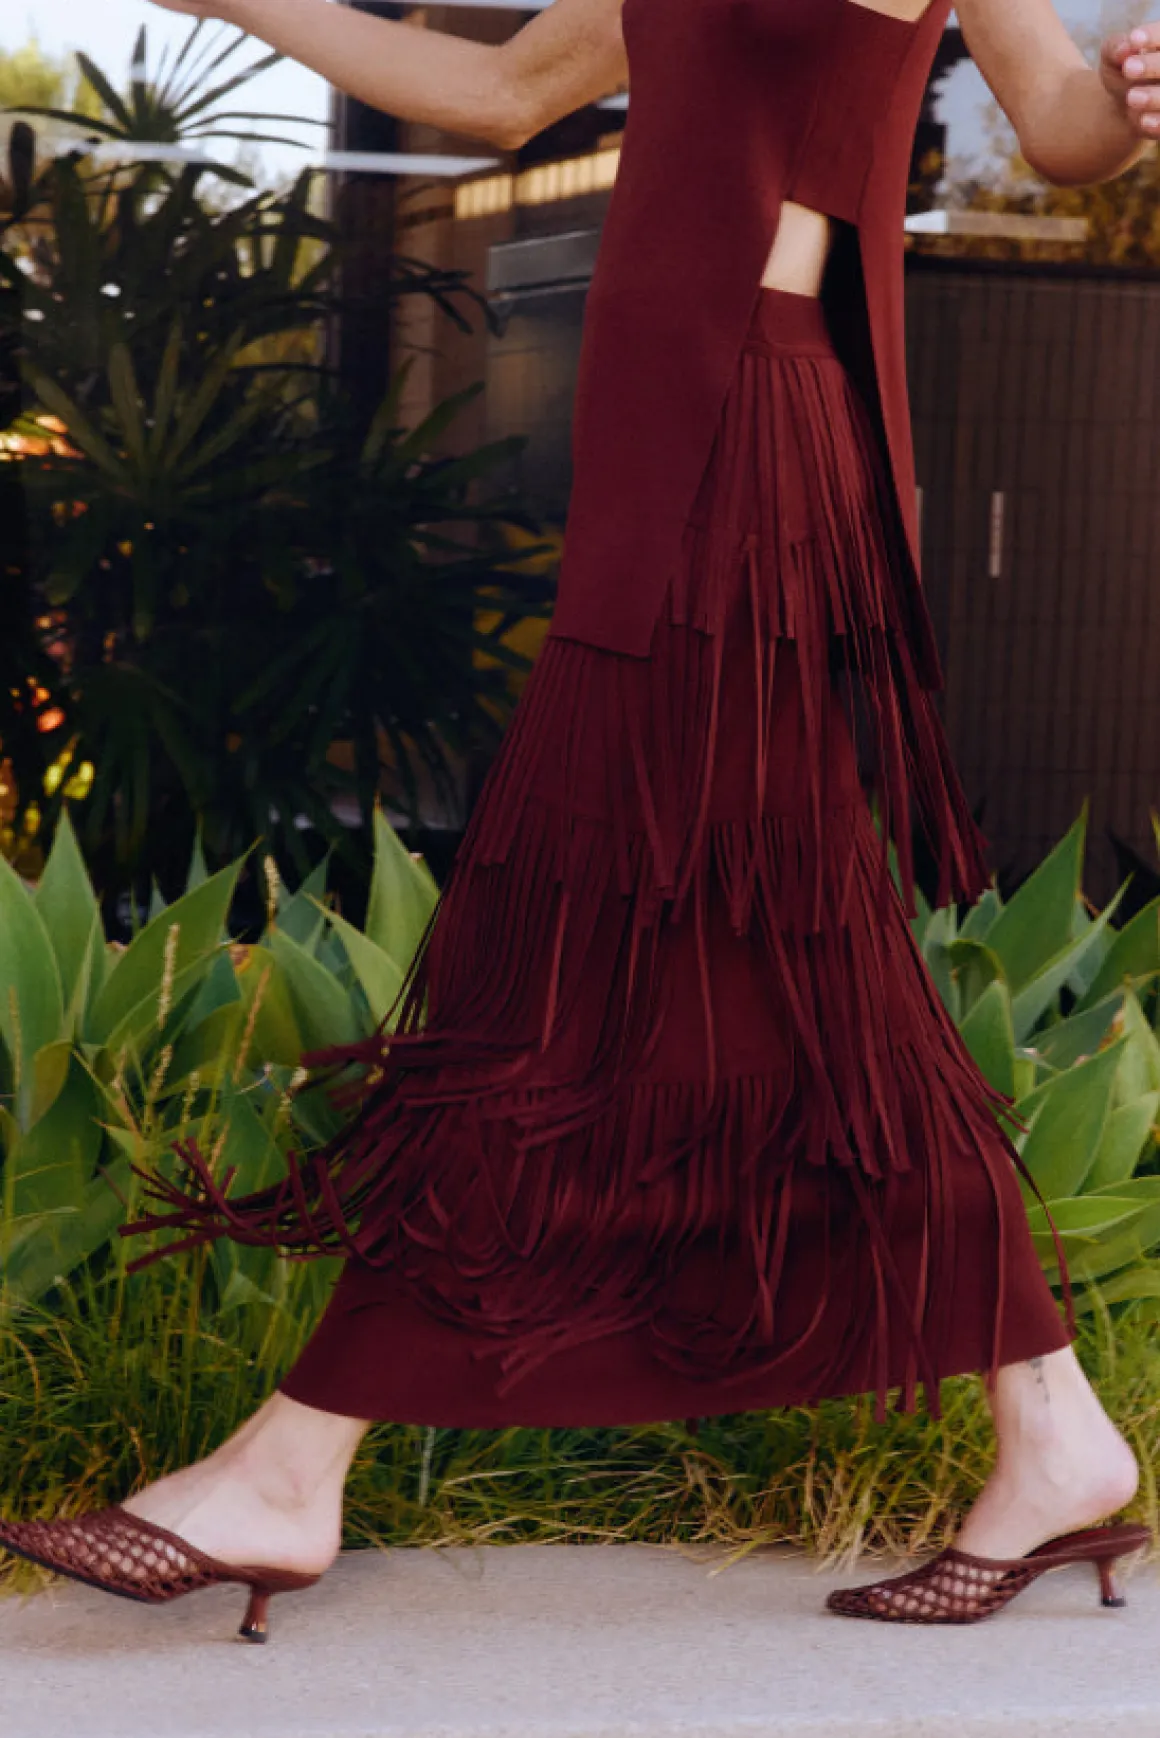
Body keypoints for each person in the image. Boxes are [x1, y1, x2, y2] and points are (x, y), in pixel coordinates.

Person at [3, 0, 1159, 1637]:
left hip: (751, 458)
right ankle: (1053, 1431)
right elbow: (498, 90)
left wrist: (1126, 98)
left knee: (562, 980)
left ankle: (288, 1466)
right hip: (660, 446)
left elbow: (1054, 126)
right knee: (797, 977)